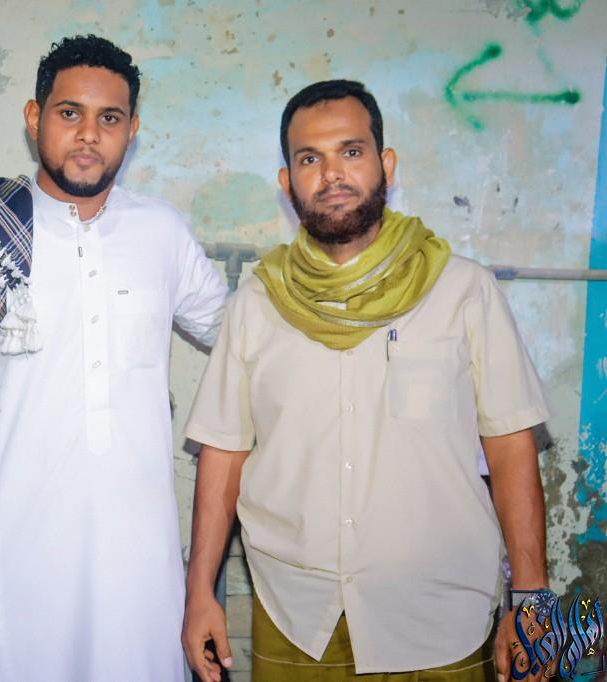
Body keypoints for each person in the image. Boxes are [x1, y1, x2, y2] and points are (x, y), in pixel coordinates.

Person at [182, 79, 550, 682]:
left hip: (441, 617)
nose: (332, 174)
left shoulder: (463, 291)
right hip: (296, 617)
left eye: (351, 152)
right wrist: (200, 592)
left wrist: (533, 602)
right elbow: (224, 452)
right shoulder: (258, 303)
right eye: (310, 159)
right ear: (288, 182)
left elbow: (511, 446)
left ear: (386, 165)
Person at [0, 34, 229, 681]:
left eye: (109, 118)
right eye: (69, 112)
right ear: (35, 117)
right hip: (11, 558)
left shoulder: (160, 233)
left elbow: (242, 339)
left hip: (136, 568)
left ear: (132, 130)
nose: (88, 135)